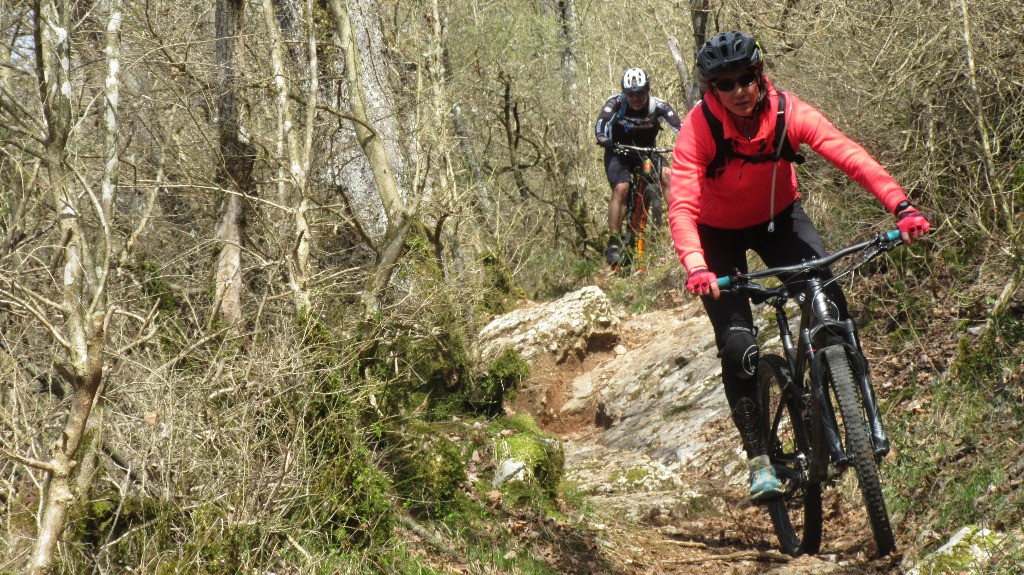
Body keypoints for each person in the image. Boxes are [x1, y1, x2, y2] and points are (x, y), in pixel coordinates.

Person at [667, 30, 931, 500]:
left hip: (780, 220)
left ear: (760, 73)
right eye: (726, 84)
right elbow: (683, 205)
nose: (740, 91)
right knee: (738, 349)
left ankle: (859, 410)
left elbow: (848, 154)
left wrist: (901, 205)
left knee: (831, 308)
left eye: (747, 77)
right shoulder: (699, 129)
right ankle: (760, 461)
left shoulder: (789, 112)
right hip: (716, 237)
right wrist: (696, 265)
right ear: (712, 90)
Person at [595, 67, 682, 266]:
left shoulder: (658, 106)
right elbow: (601, 123)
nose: (636, 98)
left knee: (669, 175)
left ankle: (678, 227)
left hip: (646, 153)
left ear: (648, 90)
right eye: (631, 94)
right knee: (621, 188)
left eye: (640, 92)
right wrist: (602, 137)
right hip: (619, 153)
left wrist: (688, 144)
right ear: (624, 93)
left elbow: (682, 129)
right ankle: (614, 241)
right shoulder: (615, 103)